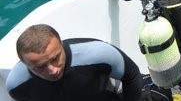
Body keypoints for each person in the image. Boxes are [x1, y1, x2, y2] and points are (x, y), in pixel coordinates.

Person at [6, 23, 144, 101]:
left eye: (55, 58)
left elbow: (132, 76)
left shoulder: (97, 54)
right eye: (40, 67)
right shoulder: (16, 84)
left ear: (61, 44)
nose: (52, 70)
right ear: (25, 64)